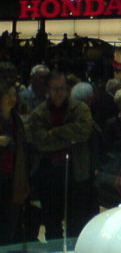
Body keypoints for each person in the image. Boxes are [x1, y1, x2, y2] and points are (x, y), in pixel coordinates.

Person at [28, 71, 93, 240]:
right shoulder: (39, 113)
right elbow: (40, 141)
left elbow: (85, 131)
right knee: (52, 221)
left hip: (75, 171)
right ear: (48, 90)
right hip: (49, 173)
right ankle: (53, 251)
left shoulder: (80, 109)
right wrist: (70, 140)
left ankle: (73, 251)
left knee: (76, 221)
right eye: (56, 89)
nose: (60, 92)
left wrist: (54, 132)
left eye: (63, 88)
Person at [0, 80, 29, 244]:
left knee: (8, 226)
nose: (12, 99)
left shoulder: (16, 120)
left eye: (14, 95)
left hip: (12, 178)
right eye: (8, 95)